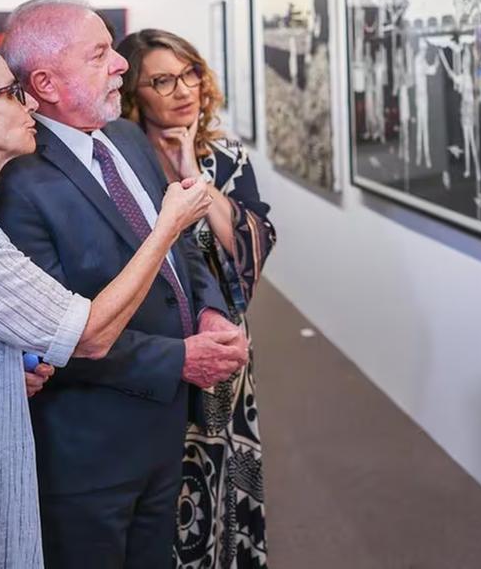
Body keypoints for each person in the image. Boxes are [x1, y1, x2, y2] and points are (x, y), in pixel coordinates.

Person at [0, 38, 214, 566]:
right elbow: (88, 333)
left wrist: (12, 363)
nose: (28, 105)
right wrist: (167, 226)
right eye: (9, 94)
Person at [0, 0, 250, 569]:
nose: (121, 66)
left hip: (161, 434)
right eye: (100, 54)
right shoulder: (18, 187)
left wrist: (208, 313)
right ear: (47, 83)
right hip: (89, 455)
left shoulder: (128, 138)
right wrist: (179, 359)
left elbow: (179, 240)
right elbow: (53, 332)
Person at [118, 28, 275, 568]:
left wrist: (195, 181)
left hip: (220, 342)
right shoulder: (122, 164)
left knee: (219, 473)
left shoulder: (224, 157)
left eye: (189, 74)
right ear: (134, 91)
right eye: (162, 80)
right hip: (154, 347)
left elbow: (247, 260)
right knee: (158, 496)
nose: (183, 89)